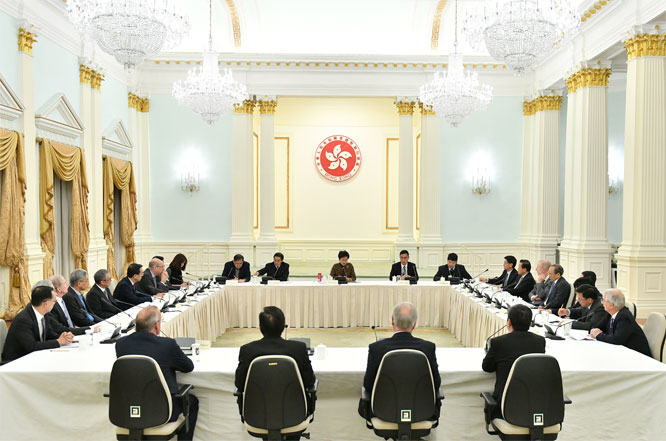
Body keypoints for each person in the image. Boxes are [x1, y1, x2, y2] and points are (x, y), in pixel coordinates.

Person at [116, 306, 198, 440]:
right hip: (163, 411)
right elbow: (188, 367)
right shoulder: (167, 345)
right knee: (192, 402)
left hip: (128, 410)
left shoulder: (121, 344)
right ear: (156, 325)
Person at [359, 302, 440, 419]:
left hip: (383, 412)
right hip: (422, 412)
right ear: (415, 324)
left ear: (392, 321)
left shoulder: (376, 349)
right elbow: (436, 384)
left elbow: (368, 385)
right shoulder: (428, 348)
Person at [234, 306, 315, 414]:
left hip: (256, 414)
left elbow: (239, 384)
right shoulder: (298, 349)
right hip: (295, 413)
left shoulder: (247, 350)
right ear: (283, 327)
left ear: (260, 328)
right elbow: (310, 382)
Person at [482, 304, 546, 418]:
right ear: (530, 323)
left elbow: (487, 367)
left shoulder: (498, 342)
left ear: (509, 322)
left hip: (503, 407)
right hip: (532, 405)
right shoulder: (540, 341)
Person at [1, 286, 74, 363]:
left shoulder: (44, 314)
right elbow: (31, 346)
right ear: (45, 304)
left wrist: (64, 337)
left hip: (34, 357)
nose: (55, 304)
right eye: (54, 301)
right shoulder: (23, 320)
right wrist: (58, 341)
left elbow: (49, 335)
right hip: (16, 361)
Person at [590, 289, 651, 357]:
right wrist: (595, 331)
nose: (602, 303)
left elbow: (616, 340)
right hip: (622, 352)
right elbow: (596, 327)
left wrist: (598, 335)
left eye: (603, 300)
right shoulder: (610, 313)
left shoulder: (624, 317)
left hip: (637, 357)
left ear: (611, 305)